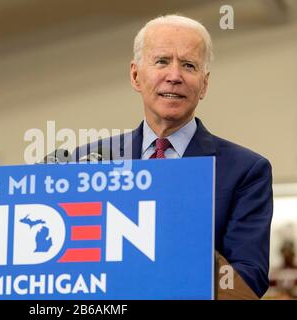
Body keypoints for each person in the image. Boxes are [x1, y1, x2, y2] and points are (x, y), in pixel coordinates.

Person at [74, 14, 273, 298]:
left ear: (203, 85)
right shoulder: (88, 162)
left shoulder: (247, 170)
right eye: (162, 61)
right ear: (135, 76)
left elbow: (248, 277)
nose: (175, 76)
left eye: (189, 65)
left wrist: (175, 257)